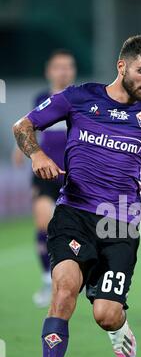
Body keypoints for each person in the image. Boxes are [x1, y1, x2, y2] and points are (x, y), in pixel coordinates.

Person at [13, 35, 141, 357]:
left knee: (105, 314)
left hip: (120, 223)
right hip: (74, 214)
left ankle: (118, 328)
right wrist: (35, 156)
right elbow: (23, 127)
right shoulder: (79, 97)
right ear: (122, 66)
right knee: (64, 288)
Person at [12, 50, 77, 308]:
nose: (63, 71)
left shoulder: (80, 99)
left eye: (68, 66)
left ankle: (78, 275)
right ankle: (47, 279)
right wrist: (20, 149)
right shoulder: (41, 98)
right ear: (49, 71)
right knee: (43, 223)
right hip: (44, 173)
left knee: (80, 228)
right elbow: (31, 127)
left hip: (74, 173)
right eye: (58, 67)